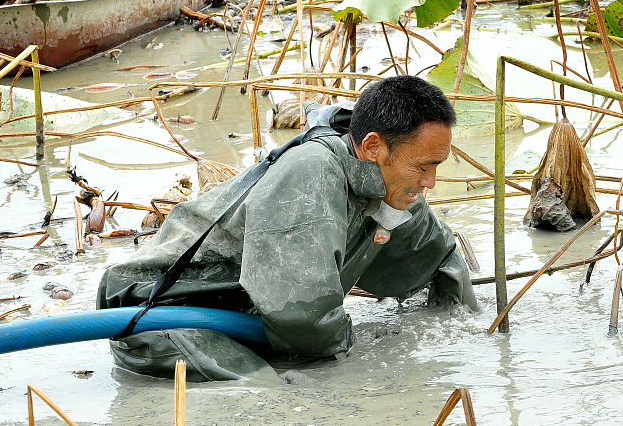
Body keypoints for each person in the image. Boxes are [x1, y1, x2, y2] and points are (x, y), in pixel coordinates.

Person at [97, 75, 478, 381]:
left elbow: (436, 255)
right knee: (269, 393)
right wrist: (353, 344)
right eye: (424, 167)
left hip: (243, 316)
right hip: (158, 310)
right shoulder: (312, 170)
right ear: (374, 146)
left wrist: (470, 334)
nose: (430, 182)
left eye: (436, 167)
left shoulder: (392, 184)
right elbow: (300, 313)